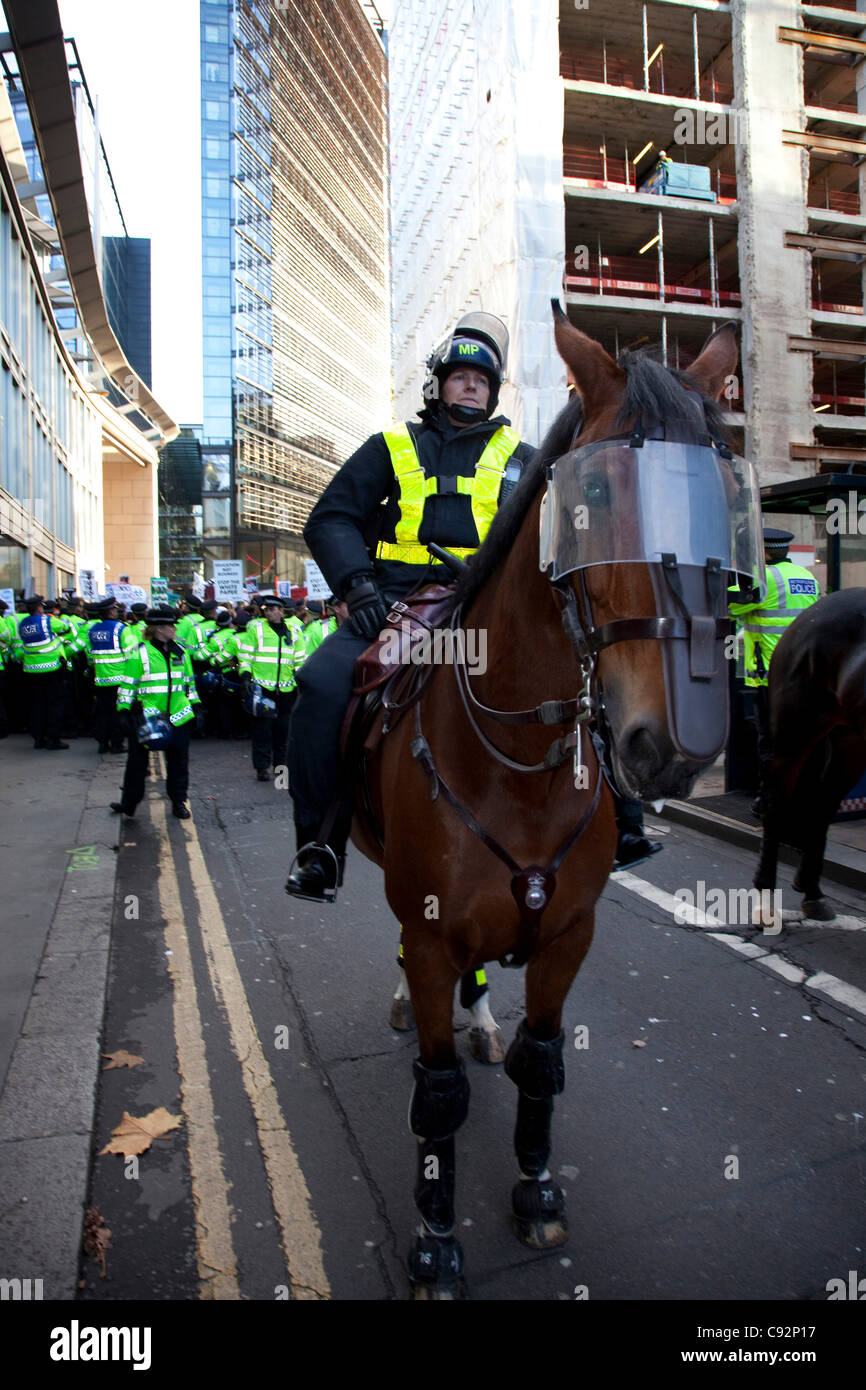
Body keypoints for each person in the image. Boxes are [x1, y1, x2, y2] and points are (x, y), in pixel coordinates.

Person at [286, 310, 534, 899]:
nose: (471, 384)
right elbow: (331, 518)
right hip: (393, 609)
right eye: (459, 376)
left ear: (494, 391)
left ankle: (621, 818)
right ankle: (319, 845)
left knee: (572, 675)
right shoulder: (391, 445)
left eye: (482, 379)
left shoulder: (524, 458)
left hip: (484, 613)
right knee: (320, 685)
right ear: (438, 385)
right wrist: (358, 588)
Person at [728, 527, 821, 817]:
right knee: (800, 741)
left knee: (770, 742)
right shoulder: (807, 577)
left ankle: (769, 801)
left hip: (771, 676)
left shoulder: (765, 579)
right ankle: (800, 799)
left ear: (764, 552)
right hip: (803, 676)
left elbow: (727, 604)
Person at [111, 606, 199, 820]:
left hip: (178, 715)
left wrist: (196, 705)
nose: (175, 628)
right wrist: (123, 710)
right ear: (160, 628)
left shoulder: (181, 651)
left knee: (179, 763)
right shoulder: (139, 653)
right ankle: (129, 804)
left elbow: (189, 683)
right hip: (148, 717)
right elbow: (128, 685)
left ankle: (179, 802)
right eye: (171, 625)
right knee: (137, 764)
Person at [239, 595, 305, 781]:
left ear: (281, 611)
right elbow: (245, 656)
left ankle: (280, 767)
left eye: (273, 609)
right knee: (262, 731)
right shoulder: (256, 629)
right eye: (267, 609)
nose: (269, 612)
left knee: (282, 732)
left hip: (286, 691)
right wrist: (245, 676)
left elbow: (299, 659)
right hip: (262, 689)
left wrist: (300, 679)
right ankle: (261, 767)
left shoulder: (293, 631)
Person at [72, 595, 140, 753]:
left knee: (103, 712)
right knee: (119, 712)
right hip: (121, 679)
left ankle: (102, 743)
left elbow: (89, 654)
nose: (117, 611)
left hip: (101, 679)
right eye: (115, 609)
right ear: (110, 612)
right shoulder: (122, 629)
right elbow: (134, 654)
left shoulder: (92, 630)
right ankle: (117, 744)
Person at [12, 595, 73, 749]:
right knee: (54, 704)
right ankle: (53, 739)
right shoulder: (47, 620)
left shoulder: (23, 624)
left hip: (31, 672)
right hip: (51, 669)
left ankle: (39, 739)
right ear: (40, 607)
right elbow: (65, 628)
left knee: (37, 706)